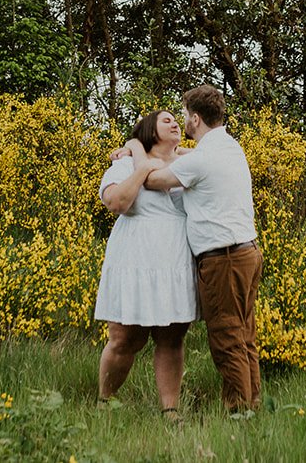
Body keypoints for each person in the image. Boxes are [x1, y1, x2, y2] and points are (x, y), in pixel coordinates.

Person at [124, 84, 262, 413]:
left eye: (184, 114)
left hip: (224, 259)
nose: (182, 121)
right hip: (247, 252)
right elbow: (188, 156)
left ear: (196, 118)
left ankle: (239, 413)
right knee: (244, 337)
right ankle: (253, 406)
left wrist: (135, 147)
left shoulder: (200, 160)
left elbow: (151, 180)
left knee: (227, 339)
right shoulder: (229, 147)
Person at [93, 108, 196, 422]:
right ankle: (105, 402)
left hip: (175, 261)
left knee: (172, 337)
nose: (175, 122)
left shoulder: (189, 163)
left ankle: (170, 410)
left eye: (176, 119)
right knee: (125, 338)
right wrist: (142, 166)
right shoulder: (125, 163)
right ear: (150, 130)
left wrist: (144, 151)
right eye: (166, 120)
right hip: (134, 260)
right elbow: (116, 203)